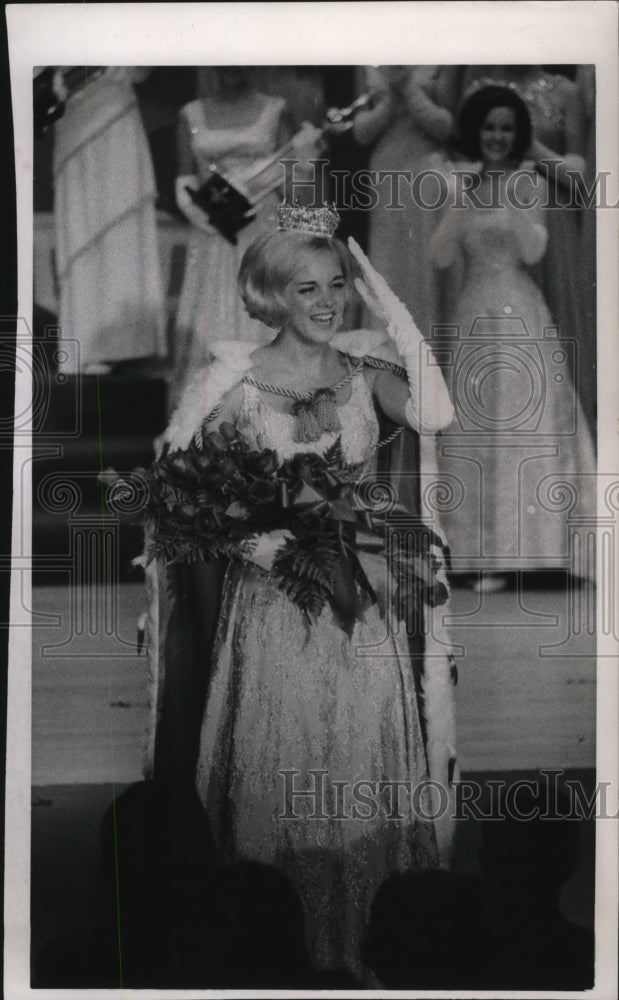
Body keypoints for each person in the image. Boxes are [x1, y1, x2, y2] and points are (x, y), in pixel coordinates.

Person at [141, 204, 457, 979]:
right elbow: (176, 499)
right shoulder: (231, 380)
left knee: (356, 761)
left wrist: (392, 303)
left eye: (338, 286)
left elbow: (439, 414)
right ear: (271, 295)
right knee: (278, 763)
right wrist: (254, 541)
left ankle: (359, 945)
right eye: (306, 287)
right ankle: (266, 953)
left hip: (361, 607)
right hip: (272, 609)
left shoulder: (364, 373)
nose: (326, 303)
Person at [431, 85, 596, 591]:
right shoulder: (460, 183)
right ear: (476, 133)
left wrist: (514, 197)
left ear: (517, 134)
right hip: (475, 311)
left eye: (506, 128)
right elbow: (439, 256)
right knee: (478, 425)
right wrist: (462, 199)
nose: (497, 136)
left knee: (524, 422)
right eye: (489, 127)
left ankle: (535, 551)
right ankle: (481, 553)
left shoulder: (529, 183)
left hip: (521, 311)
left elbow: (534, 250)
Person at [171, 68, 320, 408]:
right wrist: (206, 218)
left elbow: (293, 191)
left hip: (261, 230)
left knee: (260, 310)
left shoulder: (277, 110)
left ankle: (270, 410)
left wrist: (306, 163)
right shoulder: (190, 113)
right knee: (213, 315)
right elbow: (183, 183)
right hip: (212, 233)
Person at [459, 66, 595, 429]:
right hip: (488, 229)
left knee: (552, 328)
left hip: (553, 214)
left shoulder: (562, 90)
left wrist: (530, 149)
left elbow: (582, 174)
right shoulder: (479, 88)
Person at [52, 67, 166, 375]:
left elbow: (142, 70)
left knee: (121, 233)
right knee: (80, 233)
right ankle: (83, 344)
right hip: (73, 124)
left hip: (117, 121)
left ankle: (122, 346)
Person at [352, 66, 461, 336]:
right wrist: (391, 98)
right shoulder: (367, 62)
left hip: (427, 172)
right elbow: (361, 132)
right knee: (388, 259)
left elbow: (446, 126)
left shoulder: (441, 59)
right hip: (386, 173)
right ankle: (390, 357)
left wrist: (409, 90)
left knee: (425, 262)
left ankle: (431, 352)